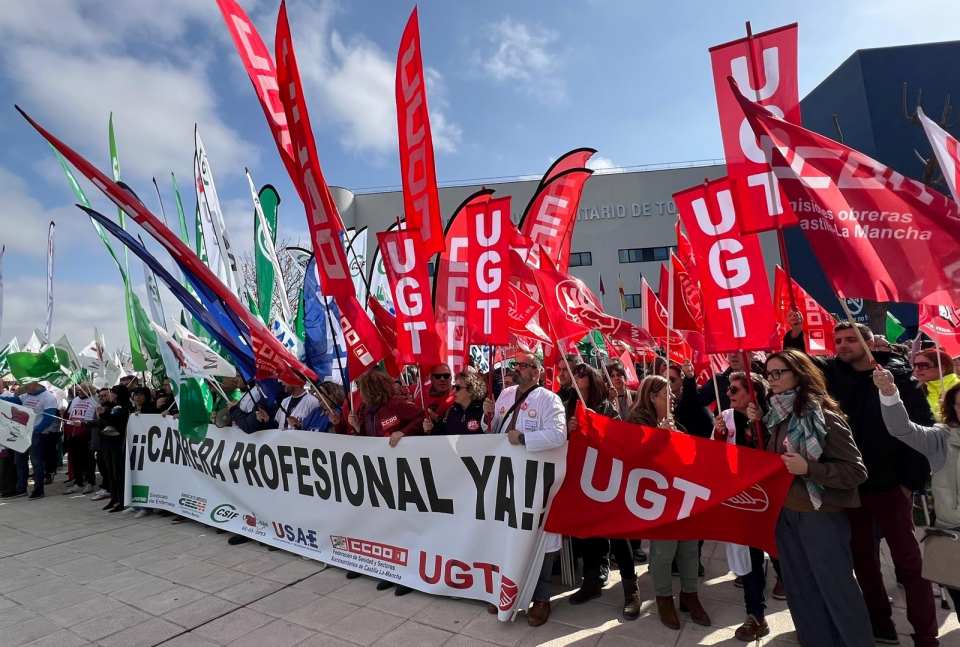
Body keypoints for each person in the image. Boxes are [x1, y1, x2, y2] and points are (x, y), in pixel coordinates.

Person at [818, 322, 938, 646]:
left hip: (891, 487)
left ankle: (926, 635)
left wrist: (909, 483)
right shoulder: (833, 376)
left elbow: (924, 430)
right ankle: (880, 623)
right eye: (838, 340)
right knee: (863, 561)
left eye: (850, 340)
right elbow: (798, 362)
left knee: (909, 564)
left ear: (870, 343)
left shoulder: (899, 377)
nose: (842, 346)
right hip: (853, 488)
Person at [761, 350, 874, 647]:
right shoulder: (777, 414)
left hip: (819, 516)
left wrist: (809, 468)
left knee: (837, 590)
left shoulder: (824, 417)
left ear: (798, 373)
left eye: (777, 373)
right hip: (786, 516)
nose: (771, 380)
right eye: (768, 373)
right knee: (800, 591)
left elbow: (855, 471)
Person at [484, 352, 566, 627]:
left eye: (524, 365)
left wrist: (524, 438)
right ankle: (505, 590)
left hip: (536, 480)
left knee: (542, 535)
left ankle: (542, 598)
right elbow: (495, 431)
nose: (517, 369)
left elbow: (558, 434)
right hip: (507, 476)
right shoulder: (505, 395)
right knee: (508, 530)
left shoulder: (549, 399)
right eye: (516, 365)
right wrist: (488, 418)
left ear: (537, 371)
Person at [874, 367, 960, 616]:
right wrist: (889, 392)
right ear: (952, 408)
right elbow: (903, 429)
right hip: (953, 541)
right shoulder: (941, 438)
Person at [626, 375, 710, 630]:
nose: (672, 399)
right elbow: (634, 457)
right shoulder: (636, 421)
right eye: (666, 395)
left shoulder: (672, 421)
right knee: (663, 551)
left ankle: (690, 594)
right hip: (657, 499)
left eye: (672, 395)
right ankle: (664, 598)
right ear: (651, 397)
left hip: (680, 494)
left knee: (689, 547)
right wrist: (658, 438)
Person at [566, 364, 642, 620]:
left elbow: (619, 438)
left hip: (607, 478)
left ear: (593, 379)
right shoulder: (569, 404)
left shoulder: (606, 408)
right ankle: (592, 581)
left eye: (581, 373)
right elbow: (560, 438)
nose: (576, 376)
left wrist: (595, 424)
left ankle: (631, 588)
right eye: (574, 373)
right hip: (581, 478)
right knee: (587, 532)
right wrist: (569, 428)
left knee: (618, 536)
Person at [713, 371, 784, 641]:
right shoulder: (727, 417)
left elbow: (775, 455)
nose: (729, 394)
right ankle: (755, 615)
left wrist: (761, 427)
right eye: (729, 389)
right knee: (750, 558)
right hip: (744, 500)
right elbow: (716, 457)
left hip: (771, 498)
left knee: (779, 554)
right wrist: (719, 435)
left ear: (752, 394)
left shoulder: (771, 418)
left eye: (735, 390)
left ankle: (789, 585)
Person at [346, 369, 424, 596]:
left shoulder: (397, 405)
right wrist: (357, 428)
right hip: (378, 475)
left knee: (403, 525)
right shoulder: (364, 410)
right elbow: (367, 440)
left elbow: (421, 417)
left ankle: (408, 575)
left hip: (402, 474)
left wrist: (404, 431)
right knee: (383, 523)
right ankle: (389, 569)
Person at [18, 381, 61, 499]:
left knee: (36, 462)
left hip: (37, 434)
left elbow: (49, 418)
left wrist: (36, 430)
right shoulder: (26, 395)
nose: (25, 388)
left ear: (36, 384)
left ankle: (38, 490)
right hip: (22, 433)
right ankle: (21, 488)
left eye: (27, 385)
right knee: (20, 460)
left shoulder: (48, 397)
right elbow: (14, 404)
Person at [98, 384, 131, 512]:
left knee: (118, 473)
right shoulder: (111, 406)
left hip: (119, 442)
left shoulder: (125, 406)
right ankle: (114, 498)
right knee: (110, 472)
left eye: (112, 392)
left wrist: (104, 413)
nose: (110, 395)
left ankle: (121, 500)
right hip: (108, 442)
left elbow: (116, 419)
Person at [63, 385, 97, 495]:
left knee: (89, 459)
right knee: (75, 459)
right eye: (79, 390)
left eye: (83, 390)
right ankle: (78, 482)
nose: (80, 392)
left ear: (90, 390)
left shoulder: (95, 400)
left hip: (87, 433)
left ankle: (90, 482)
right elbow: (68, 415)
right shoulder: (74, 400)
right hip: (74, 433)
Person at [912, 348, 960, 423]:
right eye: (915, 365)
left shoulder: (957, 389)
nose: (916, 369)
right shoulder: (917, 390)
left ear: (942, 368)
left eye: (923, 366)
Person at [669, 362, 713, 439]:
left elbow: (690, 396)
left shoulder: (690, 401)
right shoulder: (661, 401)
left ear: (682, 380)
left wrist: (689, 378)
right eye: (663, 379)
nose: (667, 383)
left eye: (671, 379)